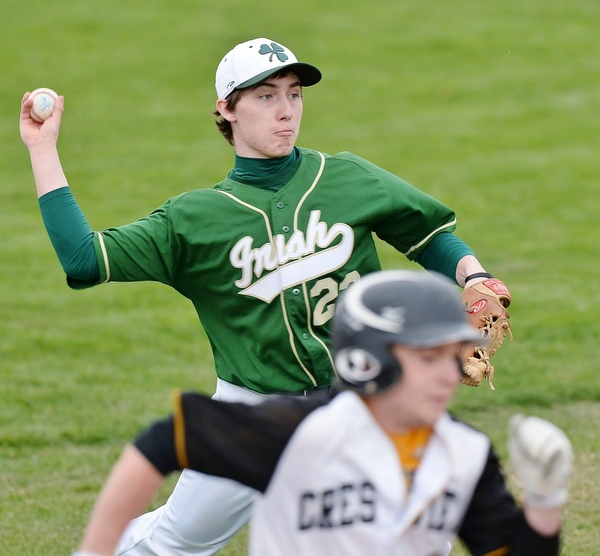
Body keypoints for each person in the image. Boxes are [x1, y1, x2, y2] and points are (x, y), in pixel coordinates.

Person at [20, 38, 511, 556]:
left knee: (407, 539)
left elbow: (430, 233)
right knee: (173, 544)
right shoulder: (193, 221)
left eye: (294, 95)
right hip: (253, 414)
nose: (286, 112)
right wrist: (42, 147)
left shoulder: (345, 177)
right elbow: (83, 257)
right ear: (225, 110)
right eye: (265, 96)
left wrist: (475, 278)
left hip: (362, 403)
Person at [69, 270, 571, 556]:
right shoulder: (299, 433)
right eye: (428, 358)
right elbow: (164, 441)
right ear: (367, 360)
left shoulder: (463, 453)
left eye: (453, 355)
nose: (450, 374)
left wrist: (546, 502)